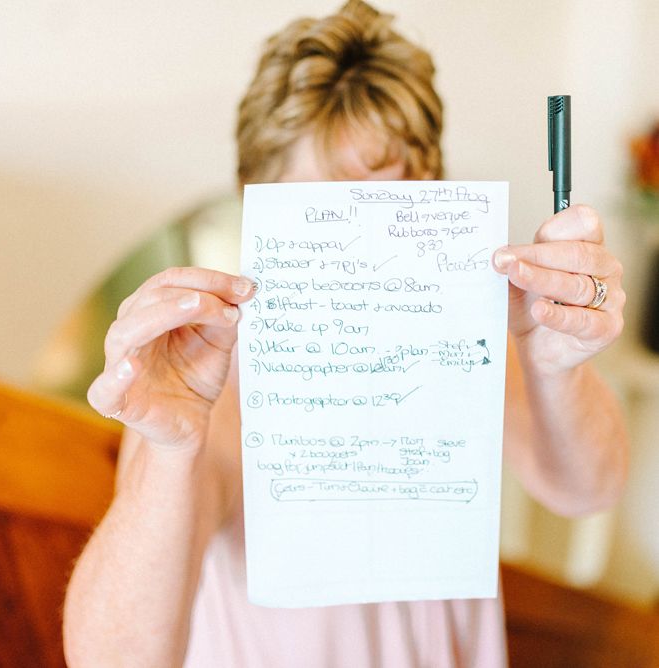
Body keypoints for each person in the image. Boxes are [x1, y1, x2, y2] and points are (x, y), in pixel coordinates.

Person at [63, 2, 629, 666]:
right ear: (254, 202)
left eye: (387, 205)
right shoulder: (202, 383)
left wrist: (558, 366)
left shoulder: (461, 343)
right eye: (319, 213)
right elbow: (113, 660)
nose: (356, 250)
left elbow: (589, 489)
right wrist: (168, 448)